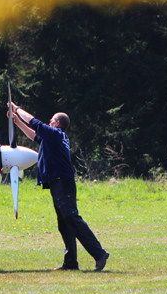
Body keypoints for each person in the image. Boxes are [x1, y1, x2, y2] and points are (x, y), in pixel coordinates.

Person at [8, 102, 109, 271]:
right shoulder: (53, 137)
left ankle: (99, 253)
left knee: (71, 217)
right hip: (58, 181)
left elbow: (35, 123)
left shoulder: (55, 134)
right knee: (64, 222)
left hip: (62, 180)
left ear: (57, 123)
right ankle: (70, 263)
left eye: (52, 120)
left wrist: (16, 109)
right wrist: (17, 122)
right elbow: (35, 136)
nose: (49, 121)